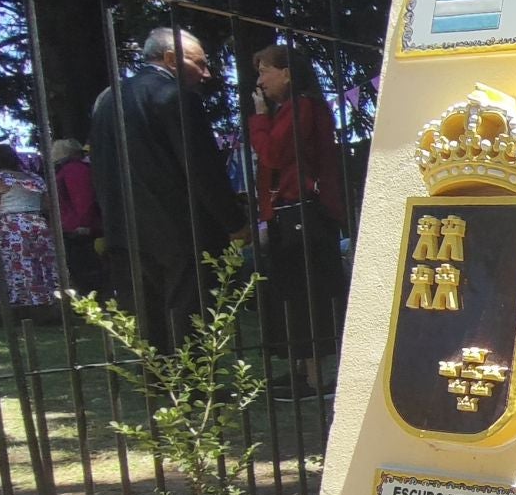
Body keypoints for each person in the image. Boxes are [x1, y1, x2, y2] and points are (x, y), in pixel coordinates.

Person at [87, 27, 245, 353]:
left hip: (124, 228)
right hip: (179, 229)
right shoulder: (176, 96)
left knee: (147, 317)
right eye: (199, 64)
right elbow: (202, 168)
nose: (206, 74)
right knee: (189, 314)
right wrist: (235, 222)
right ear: (171, 59)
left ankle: (157, 384)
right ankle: (196, 391)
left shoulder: (107, 99)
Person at [246, 43, 348, 400]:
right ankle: (302, 369)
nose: (260, 81)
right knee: (292, 292)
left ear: (287, 73)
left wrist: (258, 119)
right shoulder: (290, 108)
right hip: (287, 213)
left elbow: (274, 153)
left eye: (264, 72)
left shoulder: (303, 106)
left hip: (303, 213)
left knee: (308, 293)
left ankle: (316, 377)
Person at [0, 144, 61, 312]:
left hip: (12, 225)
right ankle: (44, 300)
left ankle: (15, 301)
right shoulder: (34, 178)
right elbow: (47, 205)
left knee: (12, 263)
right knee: (39, 263)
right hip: (38, 224)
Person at [50, 138, 103, 296]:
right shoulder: (78, 168)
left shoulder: (73, 169)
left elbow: (83, 199)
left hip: (79, 231)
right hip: (77, 228)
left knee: (86, 274)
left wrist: (83, 225)